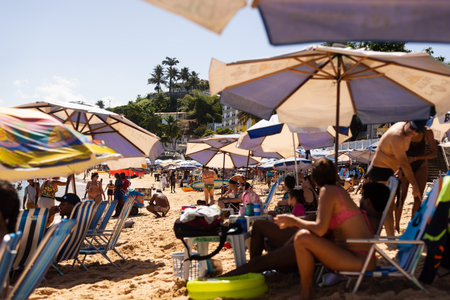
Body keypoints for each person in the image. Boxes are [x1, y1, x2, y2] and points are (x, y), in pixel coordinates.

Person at [274, 158, 378, 299]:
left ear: (313, 178)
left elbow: (320, 229)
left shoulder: (327, 191)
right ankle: (306, 289)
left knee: (302, 238)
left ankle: (306, 293)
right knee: (304, 237)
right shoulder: (337, 190)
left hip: (359, 259)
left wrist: (293, 220)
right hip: (361, 256)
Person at [367, 120, 426, 236]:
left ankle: (388, 236)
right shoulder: (396, 135)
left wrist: (398, 169)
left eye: (417, 131)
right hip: (379, 169)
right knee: (387, 207)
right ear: (408, 122)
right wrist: (414, 185)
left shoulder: (408, 133)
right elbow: (404, 163)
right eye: (412, 128)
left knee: (388, 206)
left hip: (389, 170)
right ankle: (389, 238)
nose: (413, 132)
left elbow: (400, 157)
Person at [395, 123, 437, 233]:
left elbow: (435, 153)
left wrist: (416, 158)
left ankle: (412, 227)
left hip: (420, 165)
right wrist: (399, 167)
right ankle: (396, 227)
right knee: (401, 197)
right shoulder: (403, 131)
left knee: (418, 197)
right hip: (405, 164)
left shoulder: (427, 132)